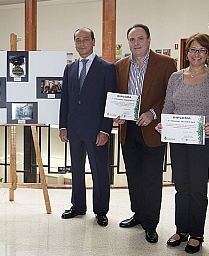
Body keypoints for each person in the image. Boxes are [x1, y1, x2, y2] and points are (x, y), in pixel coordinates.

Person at [155, 33, 209, 253]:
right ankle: (182, 229)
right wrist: (162, 123)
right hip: (177, 139)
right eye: (193, 50)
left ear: (208, 54)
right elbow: (168, 106)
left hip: (203, 140)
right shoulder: (176, 77)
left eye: (202, 50)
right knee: (181, 187)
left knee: (197, 188)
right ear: (187, 53)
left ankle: (197, 233)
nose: (197, 54)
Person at [114, 24, 177, 243]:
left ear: (149, 40)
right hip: (128, 130)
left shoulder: (167, 63)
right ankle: (138, 214)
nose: (136, 43)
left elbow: (171, 95)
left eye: (140, 38)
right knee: (134, 176)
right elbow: (118, 96)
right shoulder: (120, 66)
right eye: (132, 39)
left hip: (153, 129)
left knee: (151, 179)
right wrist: (118, 114)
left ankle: (151, 224)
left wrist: (152, 113)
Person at [58, 27, 116, 226]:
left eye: (85, 39)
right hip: (74, 129)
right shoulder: (70, 69)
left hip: (96, 130)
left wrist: (105, 129)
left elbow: (110, 101)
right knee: (76, 170)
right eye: (77, 40)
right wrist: (63, 126)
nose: (81, 43)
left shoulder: (107, 68)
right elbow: (65, 99)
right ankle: (78, 206)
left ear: (93, 41)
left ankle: (100, 210)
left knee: (100, 171)